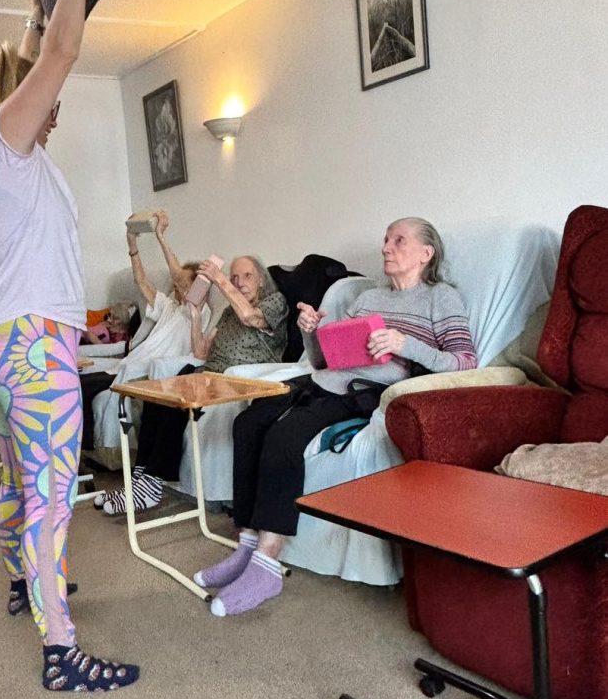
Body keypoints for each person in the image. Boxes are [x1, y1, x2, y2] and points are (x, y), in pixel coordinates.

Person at [0, 0, 138, 693]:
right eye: (42, 98)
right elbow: (57, 52)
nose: (54, 106)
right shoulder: (1, 143)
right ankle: (60, 649)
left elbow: (37, 46)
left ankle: (24, 583)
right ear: (14, 98)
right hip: (29, 345)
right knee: (55, 499)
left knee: (24, 483)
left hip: (0, 338)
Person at [195, 217, 477, 617]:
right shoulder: (367, 299)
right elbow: (324, 360)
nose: (386, 247)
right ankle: (246, 543)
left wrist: (405, 344)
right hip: (323, 380)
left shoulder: (441, 298)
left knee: (284, 437)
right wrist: (312, 330)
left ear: (425, 253)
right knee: (249, 422)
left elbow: (465, 361)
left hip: (366, 391)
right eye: (385, 239)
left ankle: (268, 563)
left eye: (398, 240)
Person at [98, 255, 288, 515]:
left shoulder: (274, 303)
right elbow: (201, 351)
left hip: (237, 379)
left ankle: (150, 486)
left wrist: (219, 279)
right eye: (234, 276)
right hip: (207, 372)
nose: (239, 281)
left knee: (177, 400)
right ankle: (141, 480)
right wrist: (196, 315)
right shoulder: (229, 311)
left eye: (247, 276)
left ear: (262, 281)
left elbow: (250, 317)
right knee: (160, 393)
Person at [80, 209, 210, 451]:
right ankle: (80, 452)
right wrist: (132, 244)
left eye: (187, 283)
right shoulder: (169, 306)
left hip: (145, 371)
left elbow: (179, 277)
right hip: (128, 363)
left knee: (80, 389)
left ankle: (78, 455)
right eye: (179, 285)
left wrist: (161, 236)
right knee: (76, 385)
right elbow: (141, 281)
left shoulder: (200, 312)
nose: (180, 286)